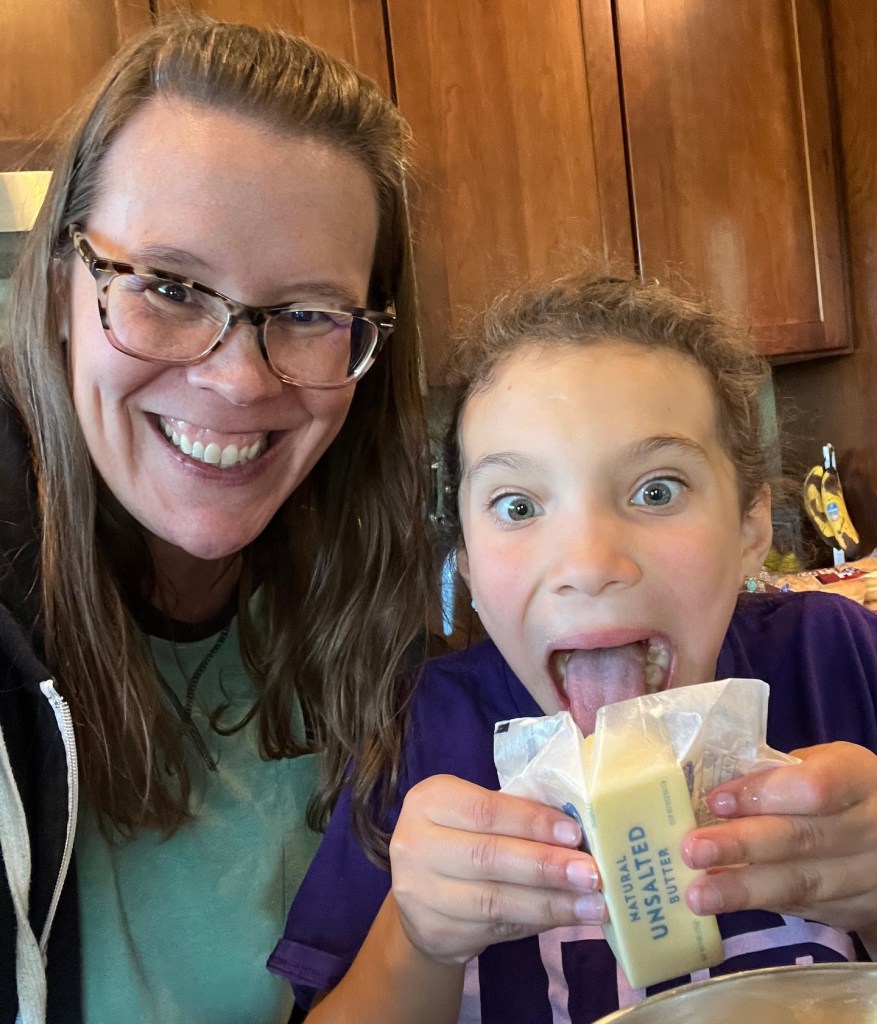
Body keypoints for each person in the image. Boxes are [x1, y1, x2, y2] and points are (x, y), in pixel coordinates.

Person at [271, 271, 877, 1023]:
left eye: (655, 490)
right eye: (517, 505)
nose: (588, 564)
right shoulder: (415, 736)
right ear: (464, 559)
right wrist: (417, 941)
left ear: (751, 524)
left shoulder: (836, 659)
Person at [0, 16, 431, 1024]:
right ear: (64, 283)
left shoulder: (369, 598)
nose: (238, 379)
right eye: (167, 287)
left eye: (311, 311)